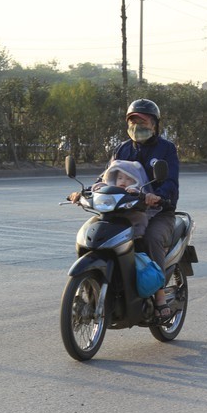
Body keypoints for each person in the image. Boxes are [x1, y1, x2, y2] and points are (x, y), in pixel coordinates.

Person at [69, 98, 180, 323]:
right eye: (133, 121)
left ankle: (159, 298)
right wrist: (86, 192)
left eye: (143, 121)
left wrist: (157, 196)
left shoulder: (166, 149)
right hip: (121, 211)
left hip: (157, 212)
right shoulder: (122, 148)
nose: (137, 126)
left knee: (150, 239)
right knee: (90, 234)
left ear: (155, 124)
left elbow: (170, 182)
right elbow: (107, 176)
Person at [99, 159, 158, 239]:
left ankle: (137, 237)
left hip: (132, 216)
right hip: (112, 216)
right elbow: (99, 187)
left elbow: (142, 195)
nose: (123, 181)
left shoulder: (135, 190)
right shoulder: (111, 188)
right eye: (119, 178)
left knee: (141, 218)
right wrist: (88, 191)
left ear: (135, 181)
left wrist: (136, 193)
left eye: (128, 179)